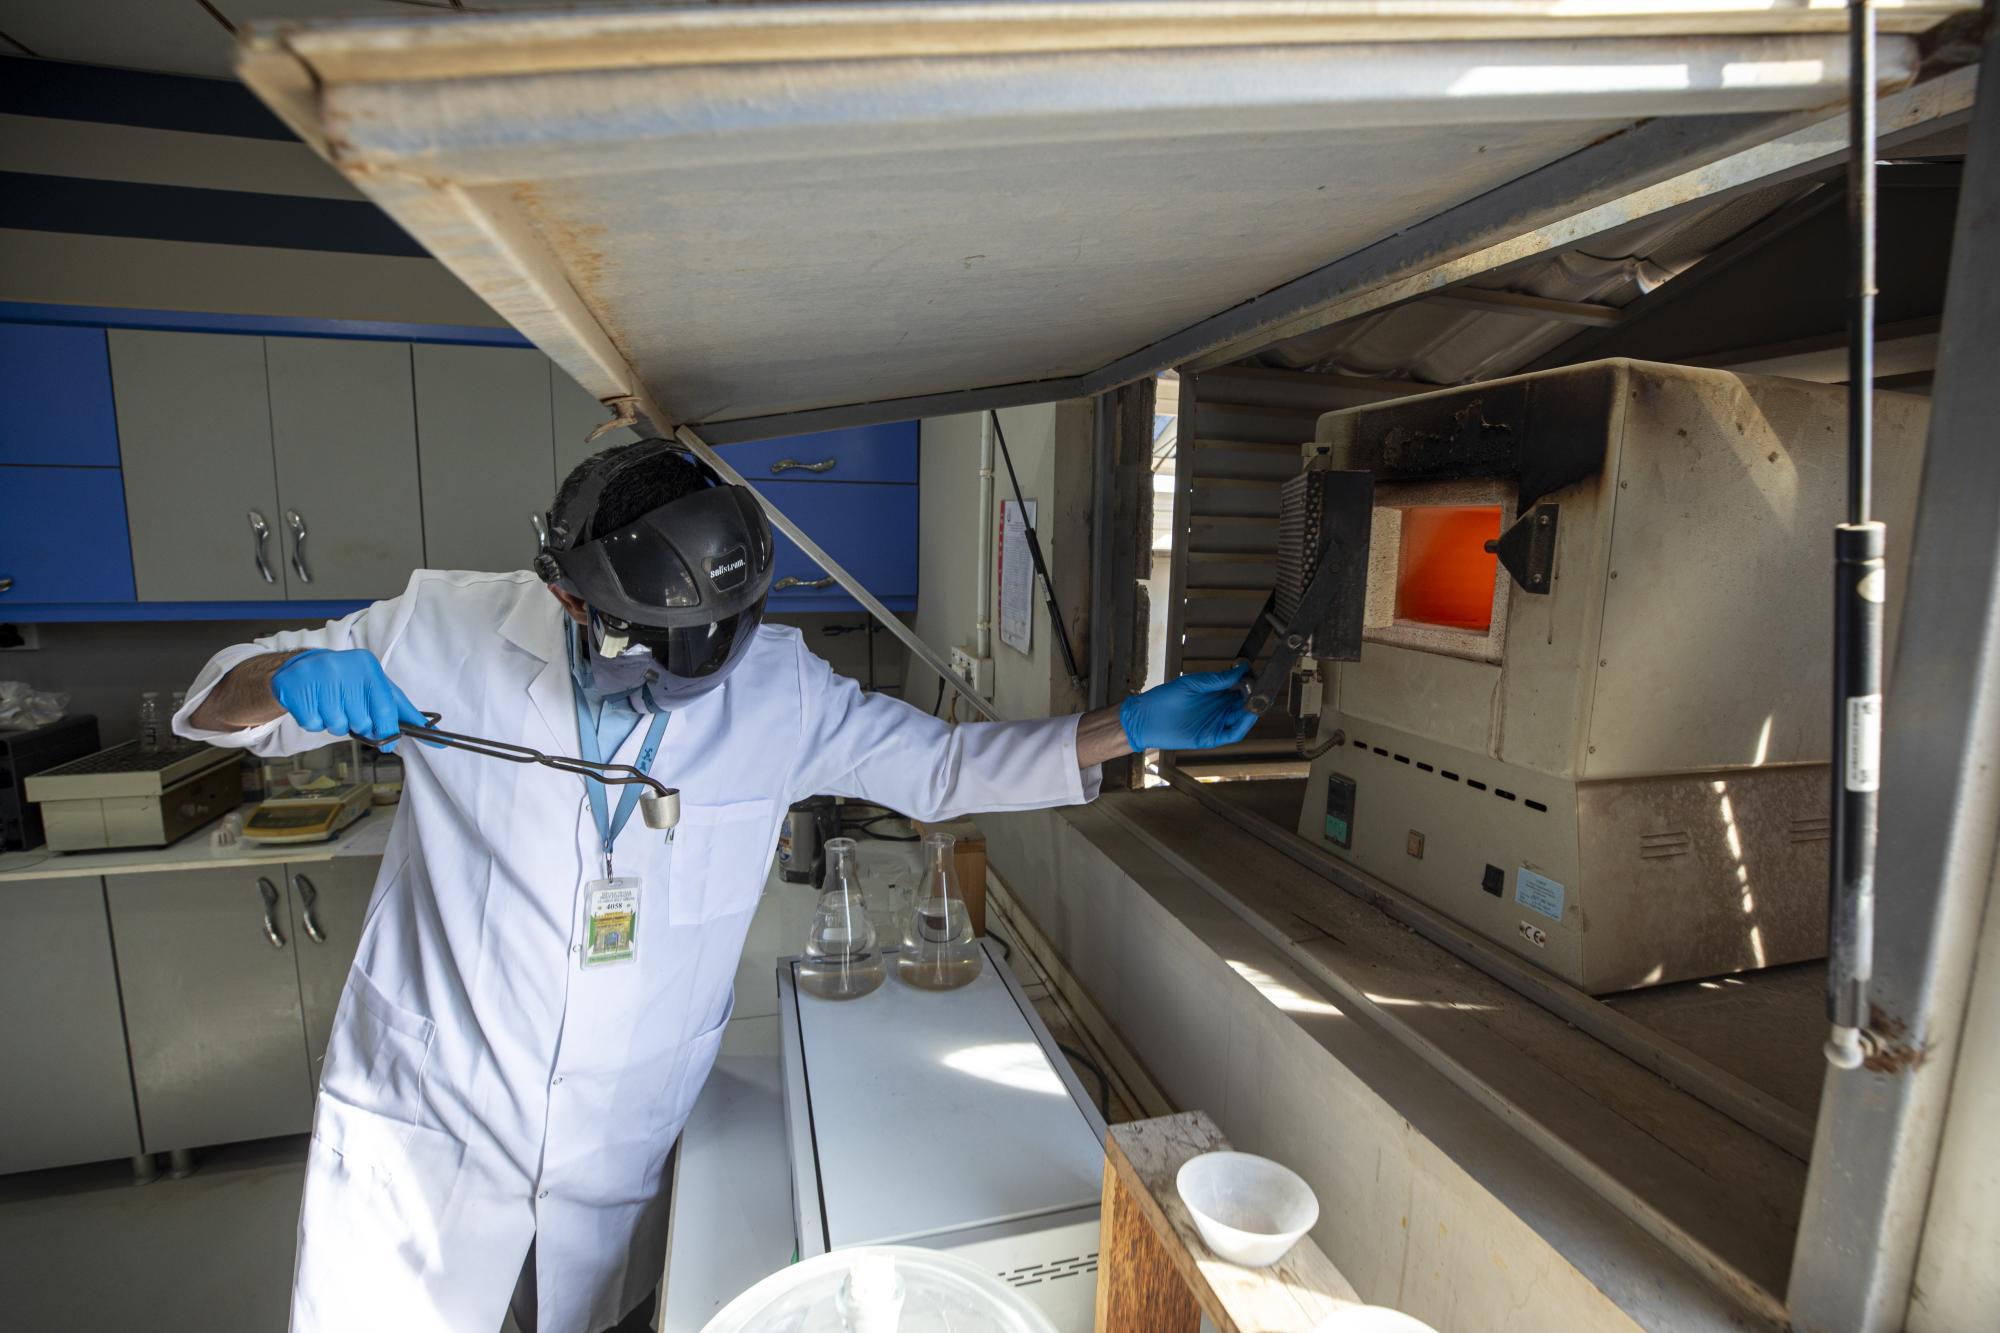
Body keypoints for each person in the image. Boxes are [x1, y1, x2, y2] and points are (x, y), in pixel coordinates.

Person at [175, 439, 1257, 1333]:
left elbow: (940, 768)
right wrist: (287, 680)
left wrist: (1124, 727)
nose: (688, 688)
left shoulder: (779, 688)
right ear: (566, 594)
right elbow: (216, 701)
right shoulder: (441, 629)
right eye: (648, 654)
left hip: (618, 1143)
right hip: (435, 1123)